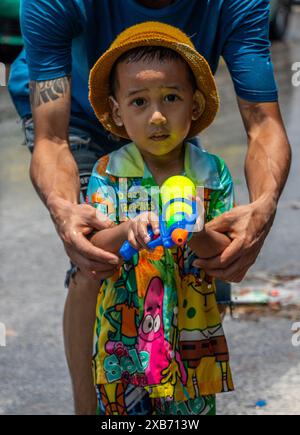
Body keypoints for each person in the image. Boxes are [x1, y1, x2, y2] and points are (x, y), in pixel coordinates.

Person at [8, 0, 291, 414]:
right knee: (92, 259)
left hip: (168, 112)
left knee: (204, 262)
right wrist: (64, 212)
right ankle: (88, 408)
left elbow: (264, 122)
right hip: (74, 118)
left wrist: (264, 208)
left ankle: (177, 391)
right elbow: (52, 140)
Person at [86, 21, 235, 416]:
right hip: (124, 334)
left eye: (171, 97)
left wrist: (197, 229)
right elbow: (92, 249)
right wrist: (127, 230)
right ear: (117, 113)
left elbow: (228, 259)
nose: (156, 116)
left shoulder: (210, 173)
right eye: (139, 102)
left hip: (191, 334)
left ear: (195, 105)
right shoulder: (109, 171)